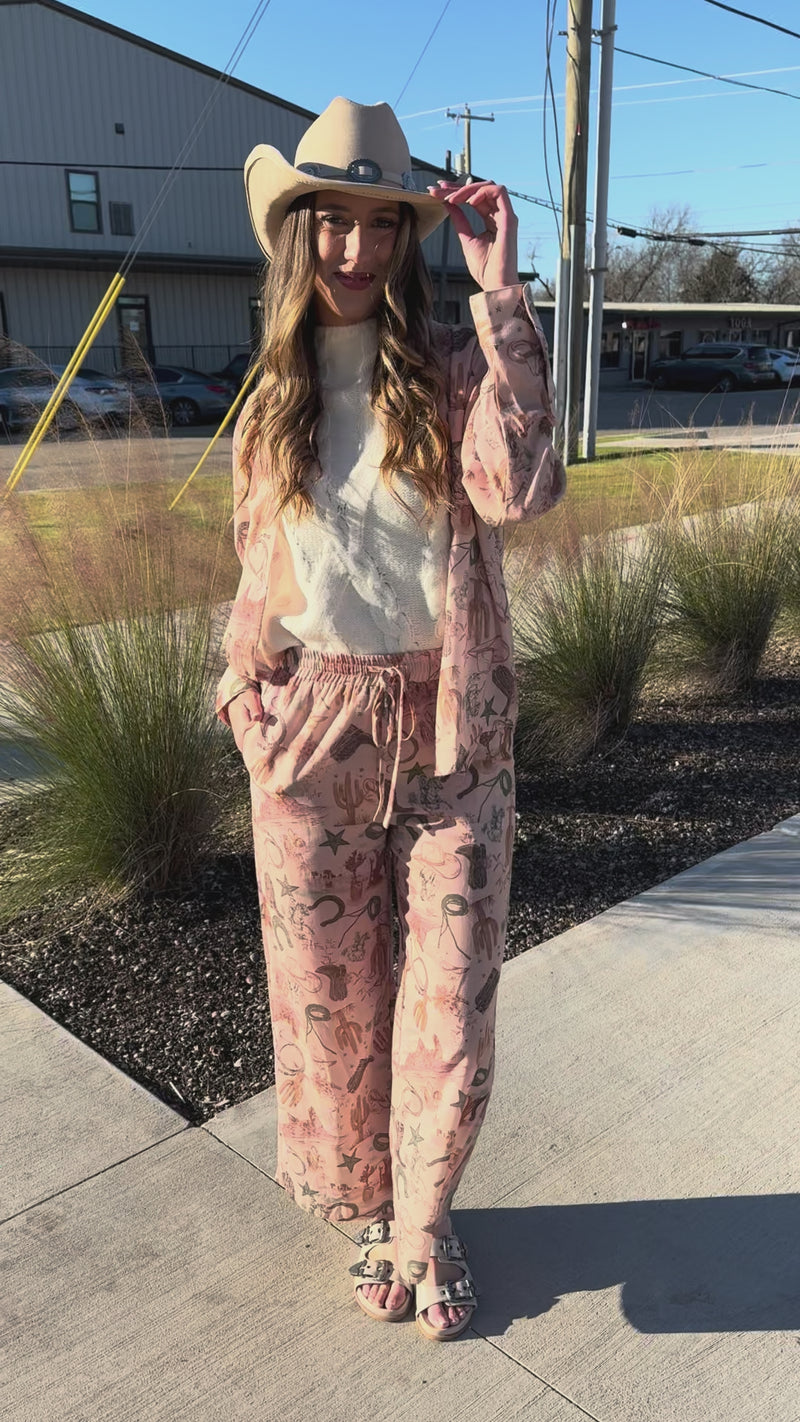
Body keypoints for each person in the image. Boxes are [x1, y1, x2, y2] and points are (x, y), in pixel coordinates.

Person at [216, 96, 565, 1341]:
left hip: (450, 729)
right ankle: (371, 1208)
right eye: (334, 222)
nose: (357, 248)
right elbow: (258, 565)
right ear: (297, 231)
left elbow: (519, 490)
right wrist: (247, 693)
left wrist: (500, 291)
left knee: (449, 997)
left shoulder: (455, 367)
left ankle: (425, 1217)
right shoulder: (273, 392)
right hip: (312, 726)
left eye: (380, 224)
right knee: (333, 1002)